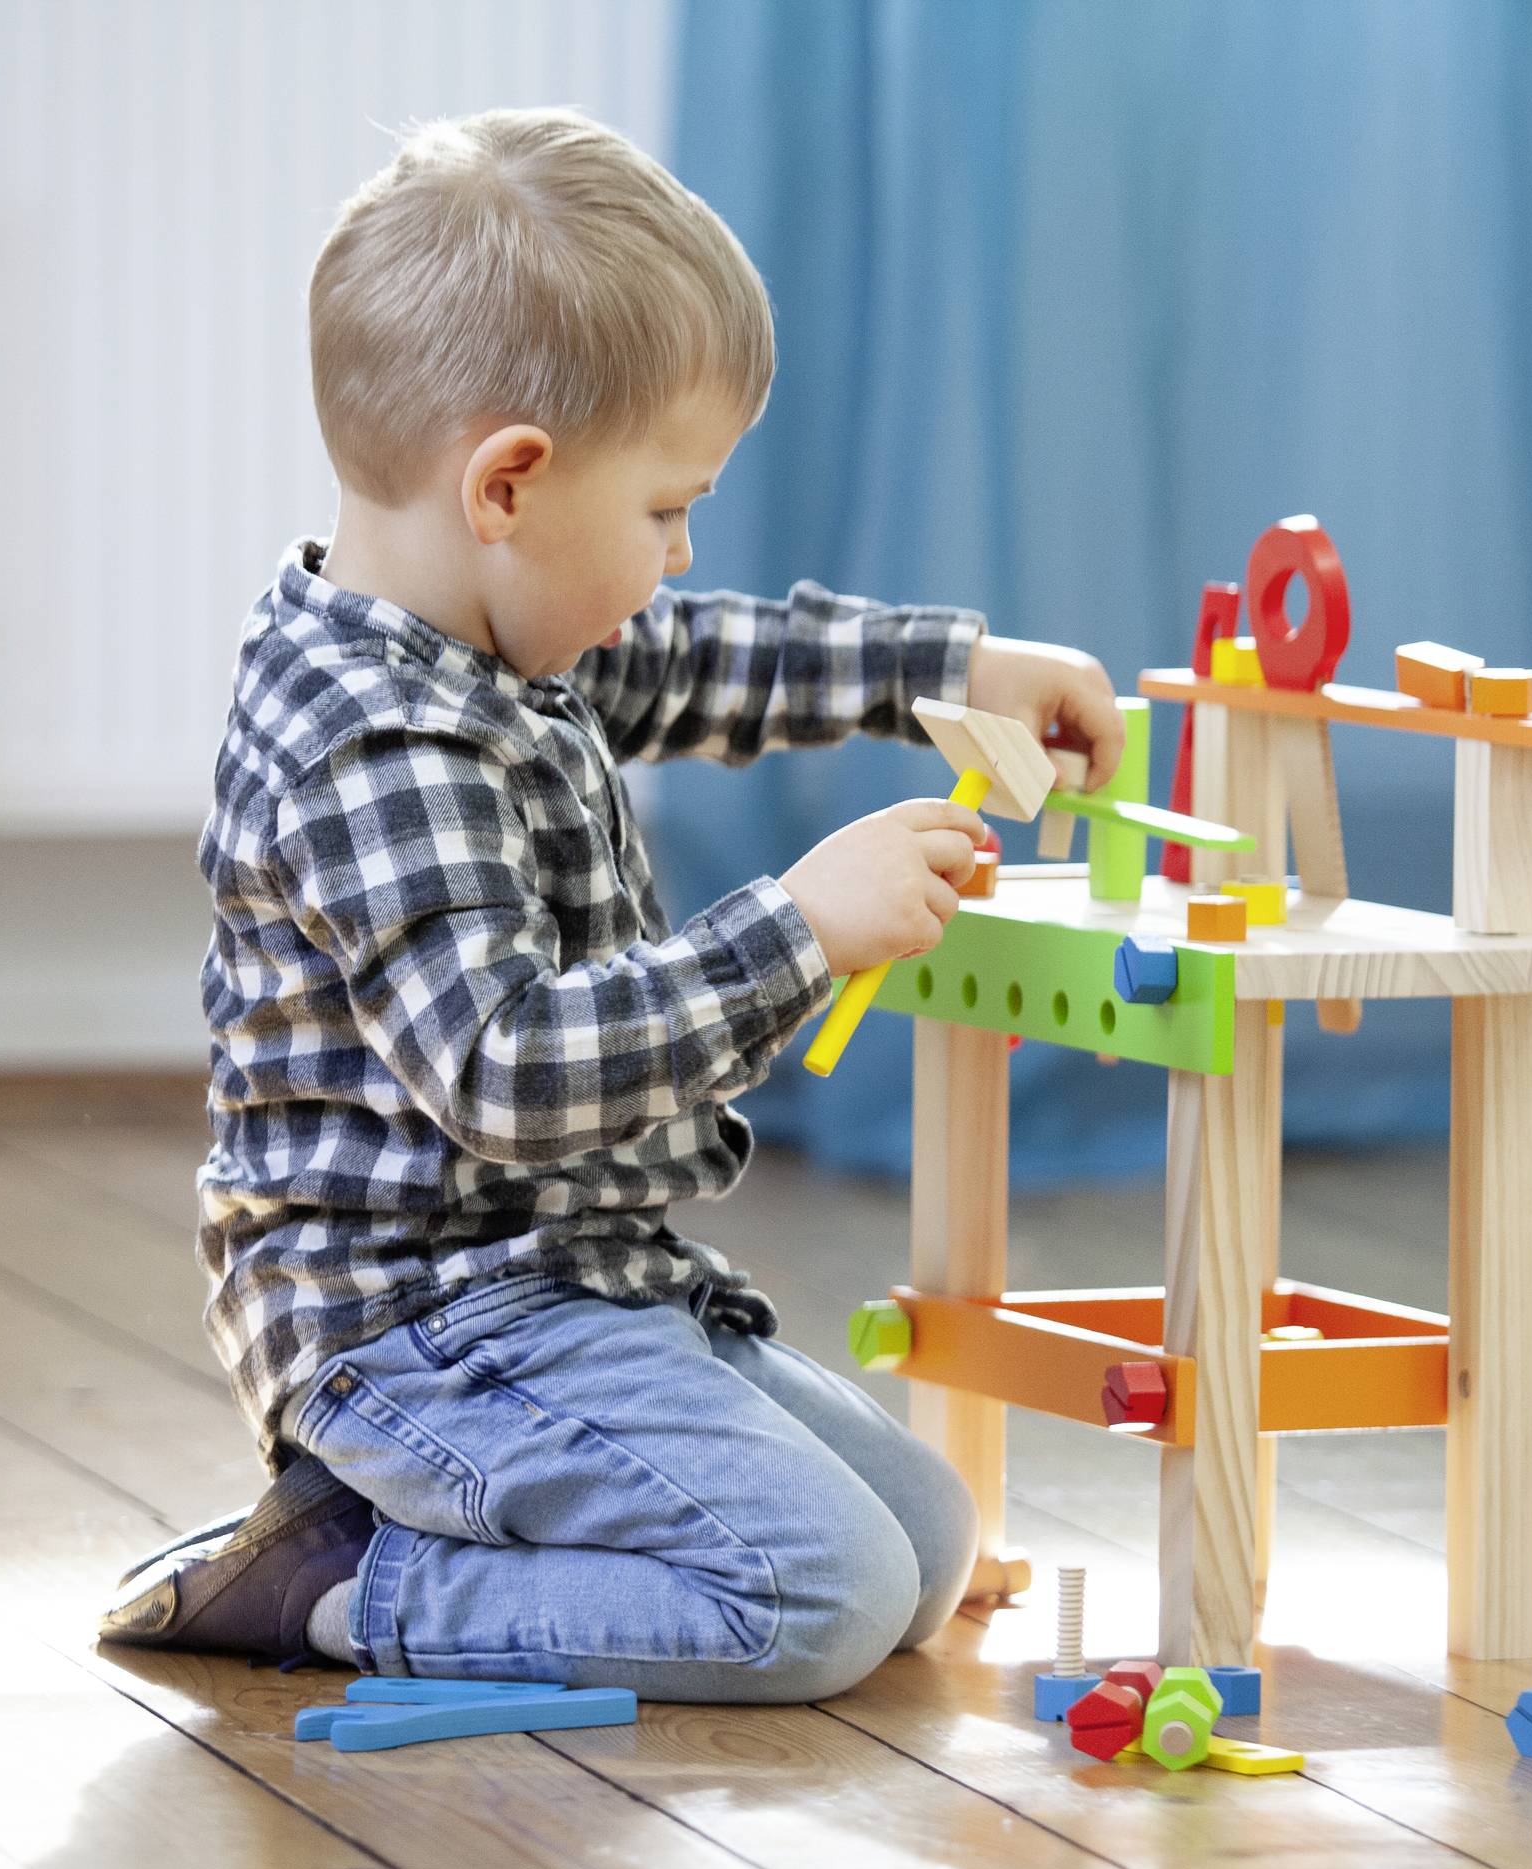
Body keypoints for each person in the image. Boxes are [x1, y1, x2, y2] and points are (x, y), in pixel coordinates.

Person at [100, 107, 1120, 1702]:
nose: (678, 550)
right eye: (664, 510)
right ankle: (347, 1578)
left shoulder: (497, 633)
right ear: (511, 482)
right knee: (820, 1596)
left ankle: (494, 1535)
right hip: (419, 1330)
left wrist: (953, 669)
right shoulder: (376, 739)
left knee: (921, 1540)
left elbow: (708, 656)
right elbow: (507, 1071)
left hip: (571, 1278)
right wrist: (800, 929)